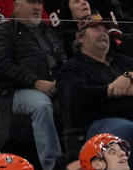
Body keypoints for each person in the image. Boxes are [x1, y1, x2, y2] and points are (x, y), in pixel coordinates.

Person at [0, 0, 66, 170]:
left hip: (51, 86)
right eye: (31, 2)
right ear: (16, 7)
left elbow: (63, 60)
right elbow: (1, 65)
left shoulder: (49, 32)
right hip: (10, 93)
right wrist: (35, 82)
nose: (37, 7)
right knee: (41, 105)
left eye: (39, 3)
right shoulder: (4, 31)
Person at [57, 13, 133, 145]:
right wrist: (109, 90)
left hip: (127, 116)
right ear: (80, 38)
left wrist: (128, 76)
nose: (103, 33)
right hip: (93, 126)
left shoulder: (120, 61)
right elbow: (75, 98)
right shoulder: (72, 67)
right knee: (127, 129)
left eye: (105, 30)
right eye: (96, 29)